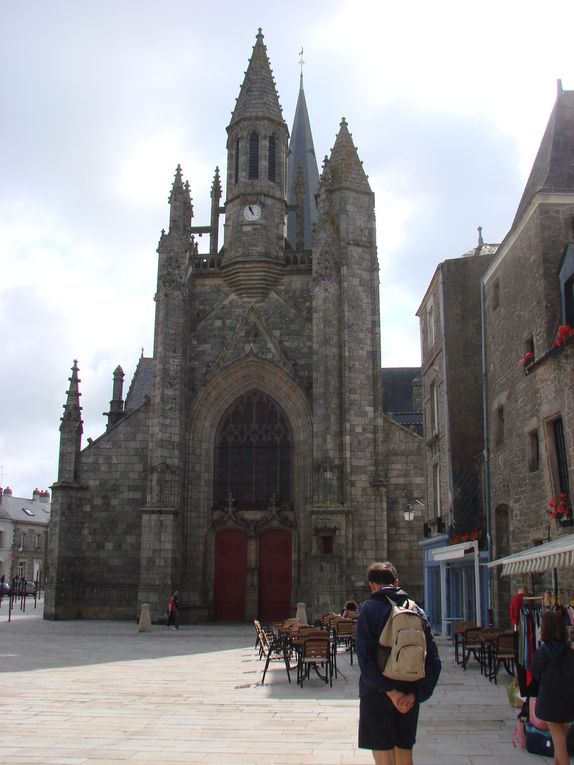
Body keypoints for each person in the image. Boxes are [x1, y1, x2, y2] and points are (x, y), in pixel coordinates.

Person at [355, 561, 441, 765]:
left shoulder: (369, 609)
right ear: (396, 583)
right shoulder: (416, 609)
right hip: (409, 692)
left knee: (383, 757)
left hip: (376, 693)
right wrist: (415, 695)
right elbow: (434, 662)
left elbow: (365, 660)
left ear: (372, 585)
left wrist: (392, 693)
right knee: (404, 754)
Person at [530, 610, 574, 765]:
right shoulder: (570, 653)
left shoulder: (541, 653)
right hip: (569, 701)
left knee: (559, 741)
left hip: (549, 702)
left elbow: (535, 674)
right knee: (560, 738)